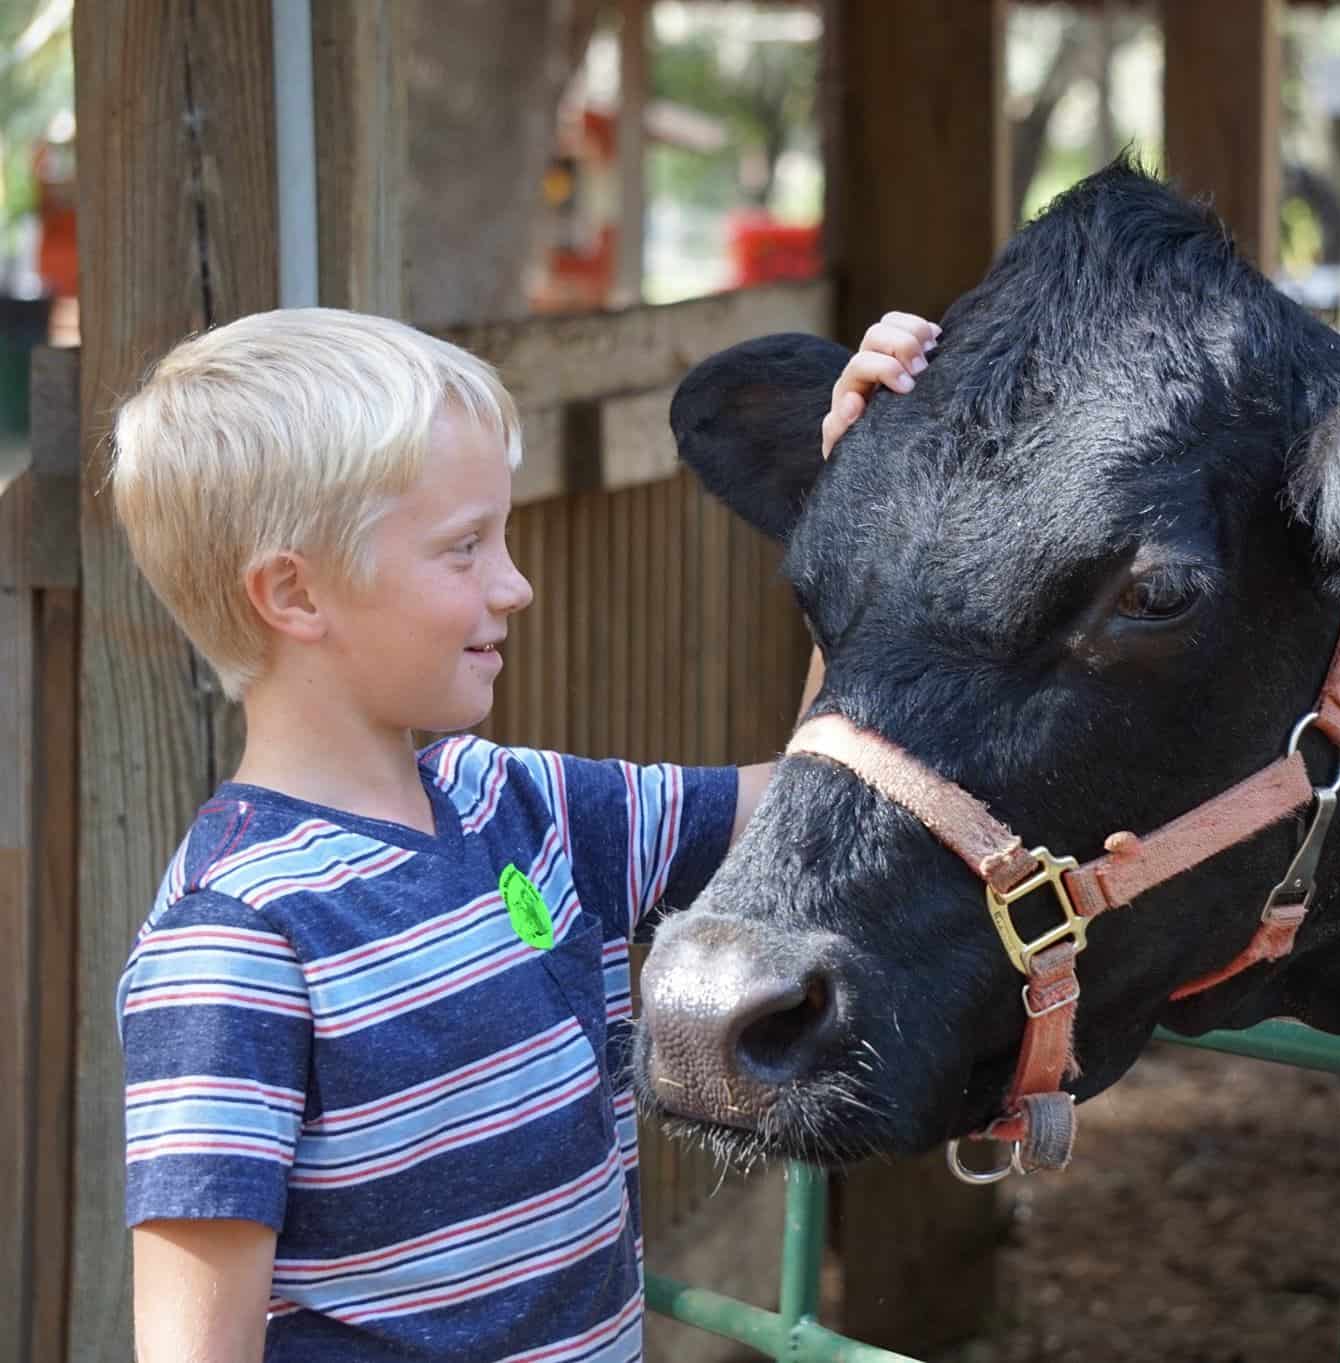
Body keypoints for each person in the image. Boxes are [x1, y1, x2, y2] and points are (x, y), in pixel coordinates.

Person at [114, 305, 937, 1362]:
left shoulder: (520, 804)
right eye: (464, 548)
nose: (516, 583)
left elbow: (801, 805)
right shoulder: (236, 939)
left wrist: (853, 494)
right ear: (293, 592)